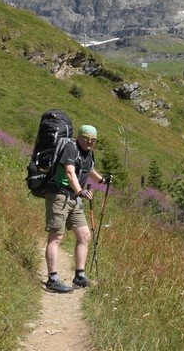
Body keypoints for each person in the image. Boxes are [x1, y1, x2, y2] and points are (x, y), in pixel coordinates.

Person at [44, 124, 108, 293]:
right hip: (59, 195)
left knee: (84, 235)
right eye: (86, 138)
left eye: (93, 140)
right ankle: (53, 279)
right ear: (79, 136)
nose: (89, 142)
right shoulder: (70, 148)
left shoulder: (88, 152)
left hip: (74, 198)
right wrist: (80, 191)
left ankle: (79, 277)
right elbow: (70, 172)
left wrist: (101, 180)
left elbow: (89, 168)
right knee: (56, 237)